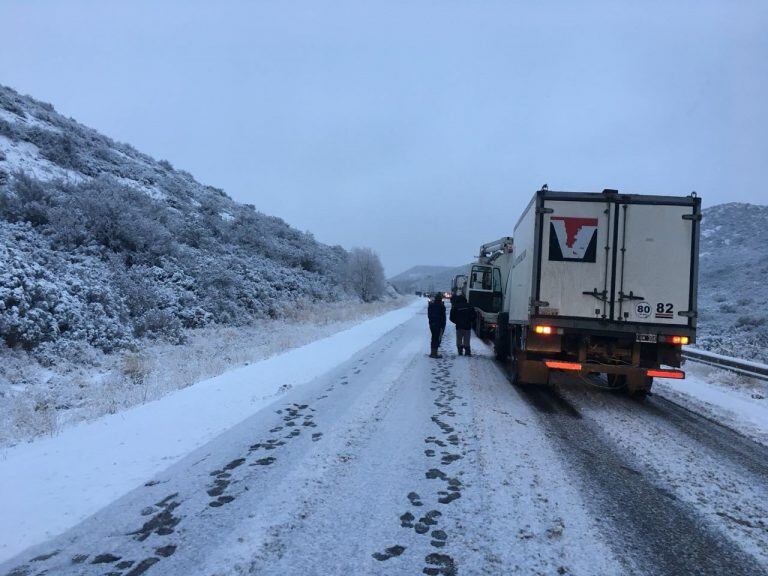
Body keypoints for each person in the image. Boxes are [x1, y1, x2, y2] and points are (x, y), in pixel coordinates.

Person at [427, 292, 446, 358]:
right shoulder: (442, 306)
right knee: (437, 338)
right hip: (439, 325)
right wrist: (443, 326)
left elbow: (429, 315)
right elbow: (443, 318)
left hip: (432, 324)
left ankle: (433, 352)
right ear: (440, 299)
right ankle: (434, 353)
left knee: (433, 337)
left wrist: (431, 322)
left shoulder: (431, 305)